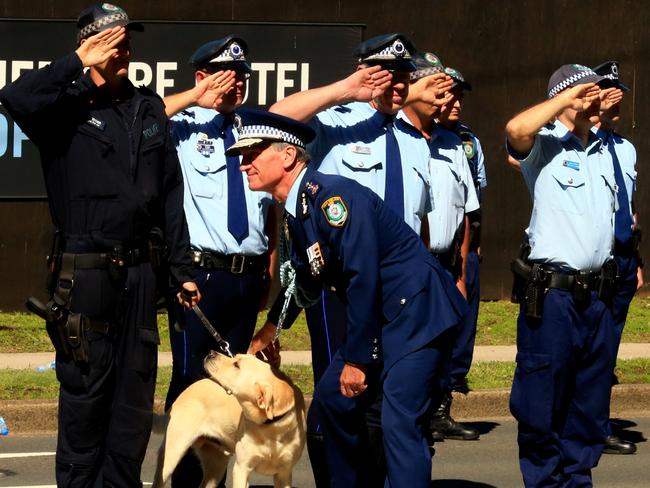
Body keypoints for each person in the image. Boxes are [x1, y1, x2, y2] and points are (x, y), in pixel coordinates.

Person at [0, 4, 199, 486]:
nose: (124, 47)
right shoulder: (60, 108)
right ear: (90, 45)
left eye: (128, 39)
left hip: (141, 275)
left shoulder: (147, 108)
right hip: (85, 276)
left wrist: (181, 269)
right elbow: (13, 98)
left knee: (132, 404)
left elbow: (170, 194)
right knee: (86, 403)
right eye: (112, 40)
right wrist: (76, 62)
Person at [237, 108, 466, 488]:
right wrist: (271, 330)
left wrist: (358, 360)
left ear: (288, 156)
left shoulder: (333, 199)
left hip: (418, 315)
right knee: (332, 401)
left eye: (252, 155)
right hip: (385, 315)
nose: (245, 166)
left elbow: (363, 276)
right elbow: (305, 280)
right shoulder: (300, 211)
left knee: (399, 422)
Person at [264, 33, 433, 485]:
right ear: (365, 71)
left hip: (399, 293)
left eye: (404, 75)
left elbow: (419, 221)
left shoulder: (417, 138)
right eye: (387, 74)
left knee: (386, 410)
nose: (398, 84)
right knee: (338, 398)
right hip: (344, 289)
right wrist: (346, 89)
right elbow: (271, 122)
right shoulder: (335, 122)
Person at [161, 37, 279, 486]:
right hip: (202, 276)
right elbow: (138, 117)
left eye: (241, 77)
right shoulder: (183, 125)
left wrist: (269, 264)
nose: (235, 85)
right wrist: (197, 97)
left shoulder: (254, 129)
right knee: (193, 382)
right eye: (224, 76)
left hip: (247, 277)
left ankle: (216, 479)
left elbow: (268, 209)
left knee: (233, 387)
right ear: (202, 76)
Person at [506, 64, 618, 487]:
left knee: (588, 405)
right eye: (585, 91)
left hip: (597, 298)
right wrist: (565, 103)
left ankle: (577, 481)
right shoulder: (544, 148)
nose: (594, 97)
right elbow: (516, 129)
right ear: (565, 96)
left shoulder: (608, 149)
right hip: (553, 298)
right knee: (541, 402)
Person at [402, 53, 481, 441]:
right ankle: (413, 418)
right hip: (413, 265)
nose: (446, 100)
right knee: (415, 346)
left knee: (447, 342)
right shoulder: (397, 136)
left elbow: (467, 211)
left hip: (448, 264)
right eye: (440, 90)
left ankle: (437, 412)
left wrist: (463, 272)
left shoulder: (456, 143)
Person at [592, 60, 643, 455]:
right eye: (607, 88)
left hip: (625, 258)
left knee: (609, 346)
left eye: (619, 88)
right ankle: (591, 425)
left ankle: (597, 420)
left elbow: (628, 206)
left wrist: (637, 260)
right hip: (595, 261)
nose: (617, 95)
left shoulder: (625, 148)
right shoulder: (575, 144)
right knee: (594, 345)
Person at [435, 65, 486, 439]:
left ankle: (441, 409)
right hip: (427, 252)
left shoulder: (468, 142)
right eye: (449, 94)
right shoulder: (415, 138)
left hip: (462, 252)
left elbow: (475, 202)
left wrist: (473, 253)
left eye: (460, 97)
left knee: (460, 334)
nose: (455, 103)